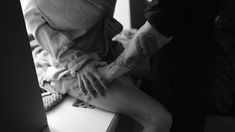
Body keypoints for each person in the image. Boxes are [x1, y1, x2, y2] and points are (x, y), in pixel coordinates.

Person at [21, 0, 172, 132]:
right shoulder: (37, 6)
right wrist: (80, 63)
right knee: (160, 119)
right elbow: (35, 19)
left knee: (170, 73)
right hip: (77, 72)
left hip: (108, 53)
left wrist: (105, 30)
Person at [97, 0, 224, 132]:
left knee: (177, 123)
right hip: (199, 59)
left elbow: (157, 27)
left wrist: (108, 73)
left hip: (182, 72)